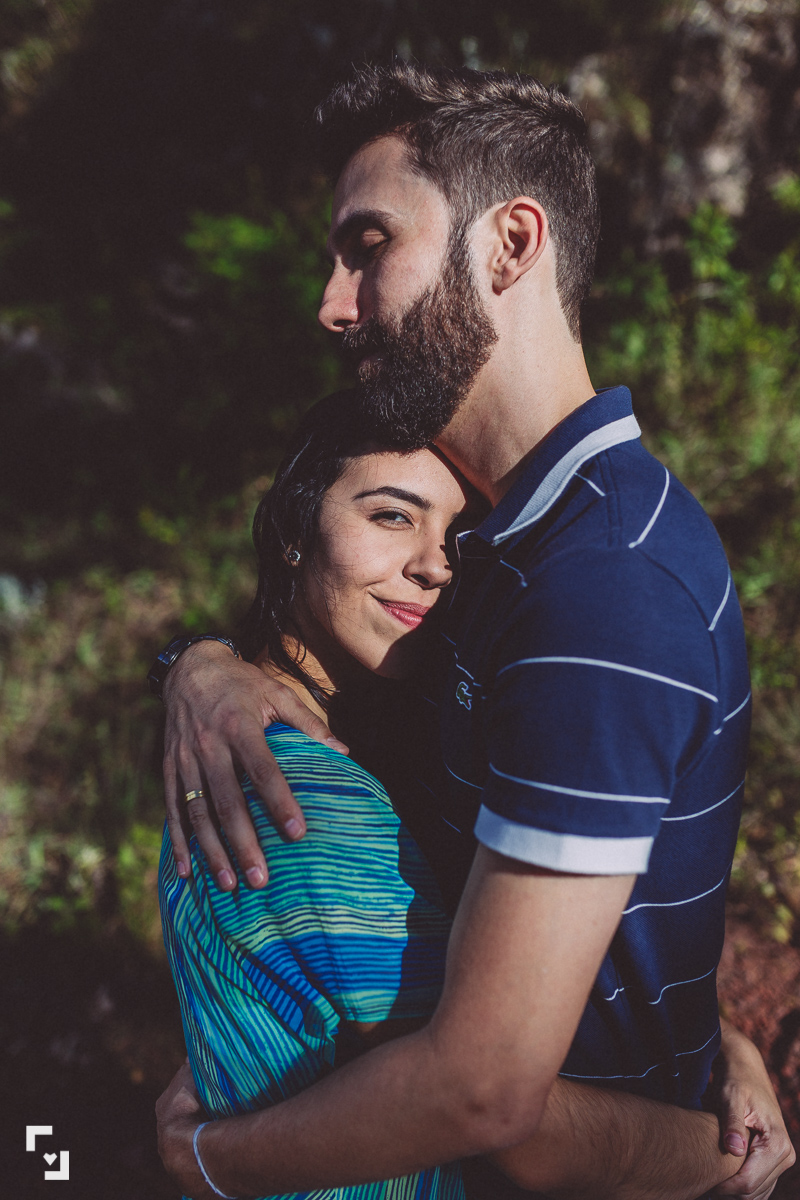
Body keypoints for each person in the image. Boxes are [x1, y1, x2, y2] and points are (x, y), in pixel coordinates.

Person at [154, 63, 796, 1199]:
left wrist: (208, 1157)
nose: (331, 301)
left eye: (367, 243)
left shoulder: (603, 585)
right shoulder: (512, 548)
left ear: (509, 245)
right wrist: (201, 667)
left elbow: (485, 1092)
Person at [160, 392, 770, 1200]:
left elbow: (511, 967)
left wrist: (729, 1045)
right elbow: (488, 1114)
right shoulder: (303, 808)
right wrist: (729, 1160)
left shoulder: (384, 732)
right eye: (390, 516)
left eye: (456, 534)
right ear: (290, 534)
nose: (434, 564)